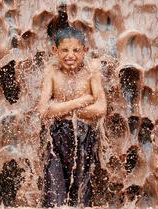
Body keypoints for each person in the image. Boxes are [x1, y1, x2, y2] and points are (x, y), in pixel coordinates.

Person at [37, 27, 107, 207]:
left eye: (76, 50)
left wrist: (61, 110)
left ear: (85, 51)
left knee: (81, 196)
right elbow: (43, 111)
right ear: (55, 51)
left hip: (85, 139)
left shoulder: (92, 72)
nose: (70, 55)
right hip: (56, 141)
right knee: (53, 196)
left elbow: (101, 108)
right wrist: (81, 101)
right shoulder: (51, 73)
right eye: (65, 50)